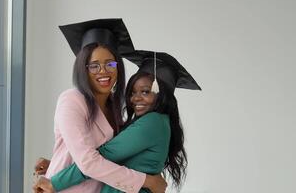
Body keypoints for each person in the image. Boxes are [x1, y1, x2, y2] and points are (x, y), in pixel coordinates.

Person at [34, 50, 201, 192]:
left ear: (161, 94)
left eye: (145, 92)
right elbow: (102, 162)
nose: (136, 99)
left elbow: (101, 158)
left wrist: (54, 183)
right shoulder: (158, 123)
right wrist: (57, 163)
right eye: (133, 92)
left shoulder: (152, 123)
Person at [33, 19, 167, 193]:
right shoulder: (72, 100)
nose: (103, 71)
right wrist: (146, 181)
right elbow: (88, 161)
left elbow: (104, 158)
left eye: (110, 64)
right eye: (94, 66)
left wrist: (55, 164)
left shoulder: (114, 106)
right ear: (83, 68)